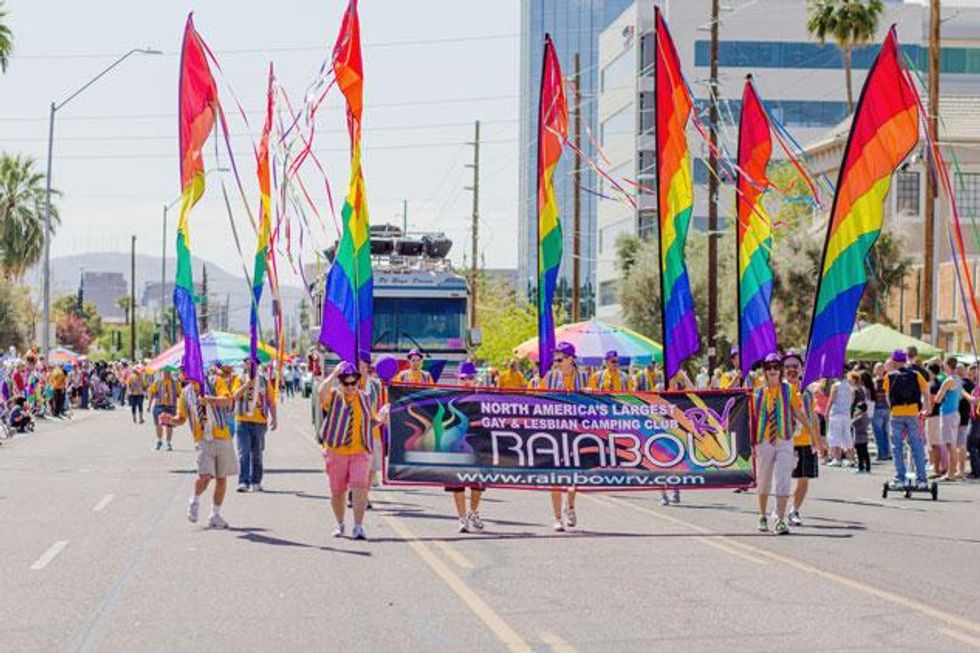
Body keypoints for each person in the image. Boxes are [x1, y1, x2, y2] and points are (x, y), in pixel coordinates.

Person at [319, 362, 387, 540]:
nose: (350, 387)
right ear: (341, 383)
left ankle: (358, 526)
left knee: (360, 487)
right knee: (338, 492)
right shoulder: (333, 396)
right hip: (336, 451)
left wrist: (381, 418)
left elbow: (369, 422)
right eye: (346, 383)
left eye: (353, 383)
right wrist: (333, 374)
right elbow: (321, 392)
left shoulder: (365, 398)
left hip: (360, 451)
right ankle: (340, 523)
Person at [160, 375, 237, 529]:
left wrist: (210, 400)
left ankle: (215, 515)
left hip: (222, 435)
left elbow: (228, 400)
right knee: (205, 476)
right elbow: (181, 418)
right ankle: (194, 500)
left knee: (221, 479)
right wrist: (171, 420)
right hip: (202, 439)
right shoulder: (186, 392)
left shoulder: (215, 381)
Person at [751, 353, 814, 535]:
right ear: (764, 371)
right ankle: (762, 515)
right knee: (764, 479)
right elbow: (752, 418)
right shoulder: (758, 392)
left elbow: (800, 414)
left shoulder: (788, 391)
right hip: (764, 440)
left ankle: (780, 518)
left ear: (780, 370)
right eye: (768, 368)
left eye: (775, 367)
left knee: (784, 479)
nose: (772, 371)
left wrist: (814, 437)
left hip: (784, 439)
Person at [539, 341, 589, 532]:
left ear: (571, 359)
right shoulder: (550, 377)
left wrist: (590, 395)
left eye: (560, 359)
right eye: (555, 358)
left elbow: (598, 403)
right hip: (555, 433)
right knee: (555, 476)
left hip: (578, 433)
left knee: (574, 477)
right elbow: (536, 400)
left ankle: (570, 506)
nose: (556, 362)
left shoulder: (585, 378)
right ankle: (557, 517)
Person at [784, 352, 824, 526]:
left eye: (795, 366)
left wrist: (818, 441)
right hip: (786, 441)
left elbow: (813, 417)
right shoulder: (780, 390)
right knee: (783, 479)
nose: (792, 369)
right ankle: (780, 510)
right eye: (788, 367)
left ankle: (794, 510)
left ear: (801, 369)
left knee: (804, 477)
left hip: (805, 441)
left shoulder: (807, 392)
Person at [883, 349, 932, 490]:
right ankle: (922, 480)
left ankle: (900, 479)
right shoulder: (916, 375)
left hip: (896, 414)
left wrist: (892, 409)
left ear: (894, 361)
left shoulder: (889, 376)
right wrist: (926, 408)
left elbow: (888, 397)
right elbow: (926, 391)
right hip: (913, 413)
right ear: (905, 361)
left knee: (897, 447)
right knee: (917, 445)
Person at [447, 361, 486, 533]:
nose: (467, 381)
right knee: (458, 484)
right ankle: (462, 518)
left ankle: (473, 511)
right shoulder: (451, 399)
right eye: (463, 378)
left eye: (470, 378)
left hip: (477, 444)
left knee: (478, 484)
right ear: (458, 380)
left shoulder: (482, 397)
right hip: (457, 446)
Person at [234, 360, 278, 493]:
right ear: (244, 365)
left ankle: (256, 481)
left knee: (257, 454)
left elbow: (271, 400)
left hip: (260, 422)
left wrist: (275, 418)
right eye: (247, 363)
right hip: (243, 421)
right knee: (244, 453)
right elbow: (234, 396)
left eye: (253, 364)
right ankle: (243, 482)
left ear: (257, 366)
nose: (250, 366)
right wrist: (247, 385)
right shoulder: (239, 379)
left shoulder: (264, 381)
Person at [933, 356, 972, 481]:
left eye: (944, 365)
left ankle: (950, 474)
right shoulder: (959, 380)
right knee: (952, 445)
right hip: (955, 413)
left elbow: (937, 399)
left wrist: (940, 396)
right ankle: (952, 472)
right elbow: (960, 397)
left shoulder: (948, 380)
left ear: (948, 366)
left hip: (948, 414)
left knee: (950, 445)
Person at [826, 372, 857, 467]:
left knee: (834, 436)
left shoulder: (835, 385)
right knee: (847, 436)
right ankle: (851, 459)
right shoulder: (849, 386)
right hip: (846, 414)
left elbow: (831, 399)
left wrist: (826, 412)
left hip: (836, 414)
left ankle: (837, 458)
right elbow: (852, 400)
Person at [147, 369, 180, 451]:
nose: (167, 374)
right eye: (165, 373)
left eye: (168, 372)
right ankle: (159, 440)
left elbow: (180, 395)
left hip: (171, 406)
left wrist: (180, 407)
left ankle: (168, 442)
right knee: (158, 424)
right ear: (162, 373)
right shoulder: (157, 382)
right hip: (159, 405)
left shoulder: (176, 383)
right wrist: (149, 405)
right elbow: (152, 394)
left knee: (170, 425)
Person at [924, 362, 946, 478]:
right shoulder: (939, 383)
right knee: (936, 443)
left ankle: (936, 470)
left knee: (934, 444)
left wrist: (926, 413)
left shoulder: (932, 385)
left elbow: (932, 402)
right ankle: (938, 468)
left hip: (933, 417)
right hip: (938, 416)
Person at [871, 362, 892, 461]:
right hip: (886, 408)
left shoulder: (874, 381)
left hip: (877, 408)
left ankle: (882, 454)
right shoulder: (888, 380)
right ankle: (887, 453)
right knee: (885, 432)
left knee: (878, 432)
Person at [852, 375, 872, 474]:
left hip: (859, 439)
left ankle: (861, 468)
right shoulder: (866, 417)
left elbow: (853, 424)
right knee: (866, 454)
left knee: (860, 454)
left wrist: (855, 416)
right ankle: (868, 467)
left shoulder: (859, 418)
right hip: (864, 438)